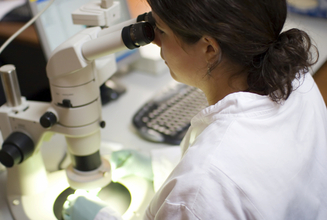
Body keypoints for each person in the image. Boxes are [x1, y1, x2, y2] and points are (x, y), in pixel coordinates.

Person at [63, 0, 327, 219]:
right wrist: (157, 164)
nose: (153, 40)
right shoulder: (295, 75)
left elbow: (210, 185)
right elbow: (263, 175)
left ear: (209, 48)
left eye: (162, 31)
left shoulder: (201, 188)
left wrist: (99, 217)